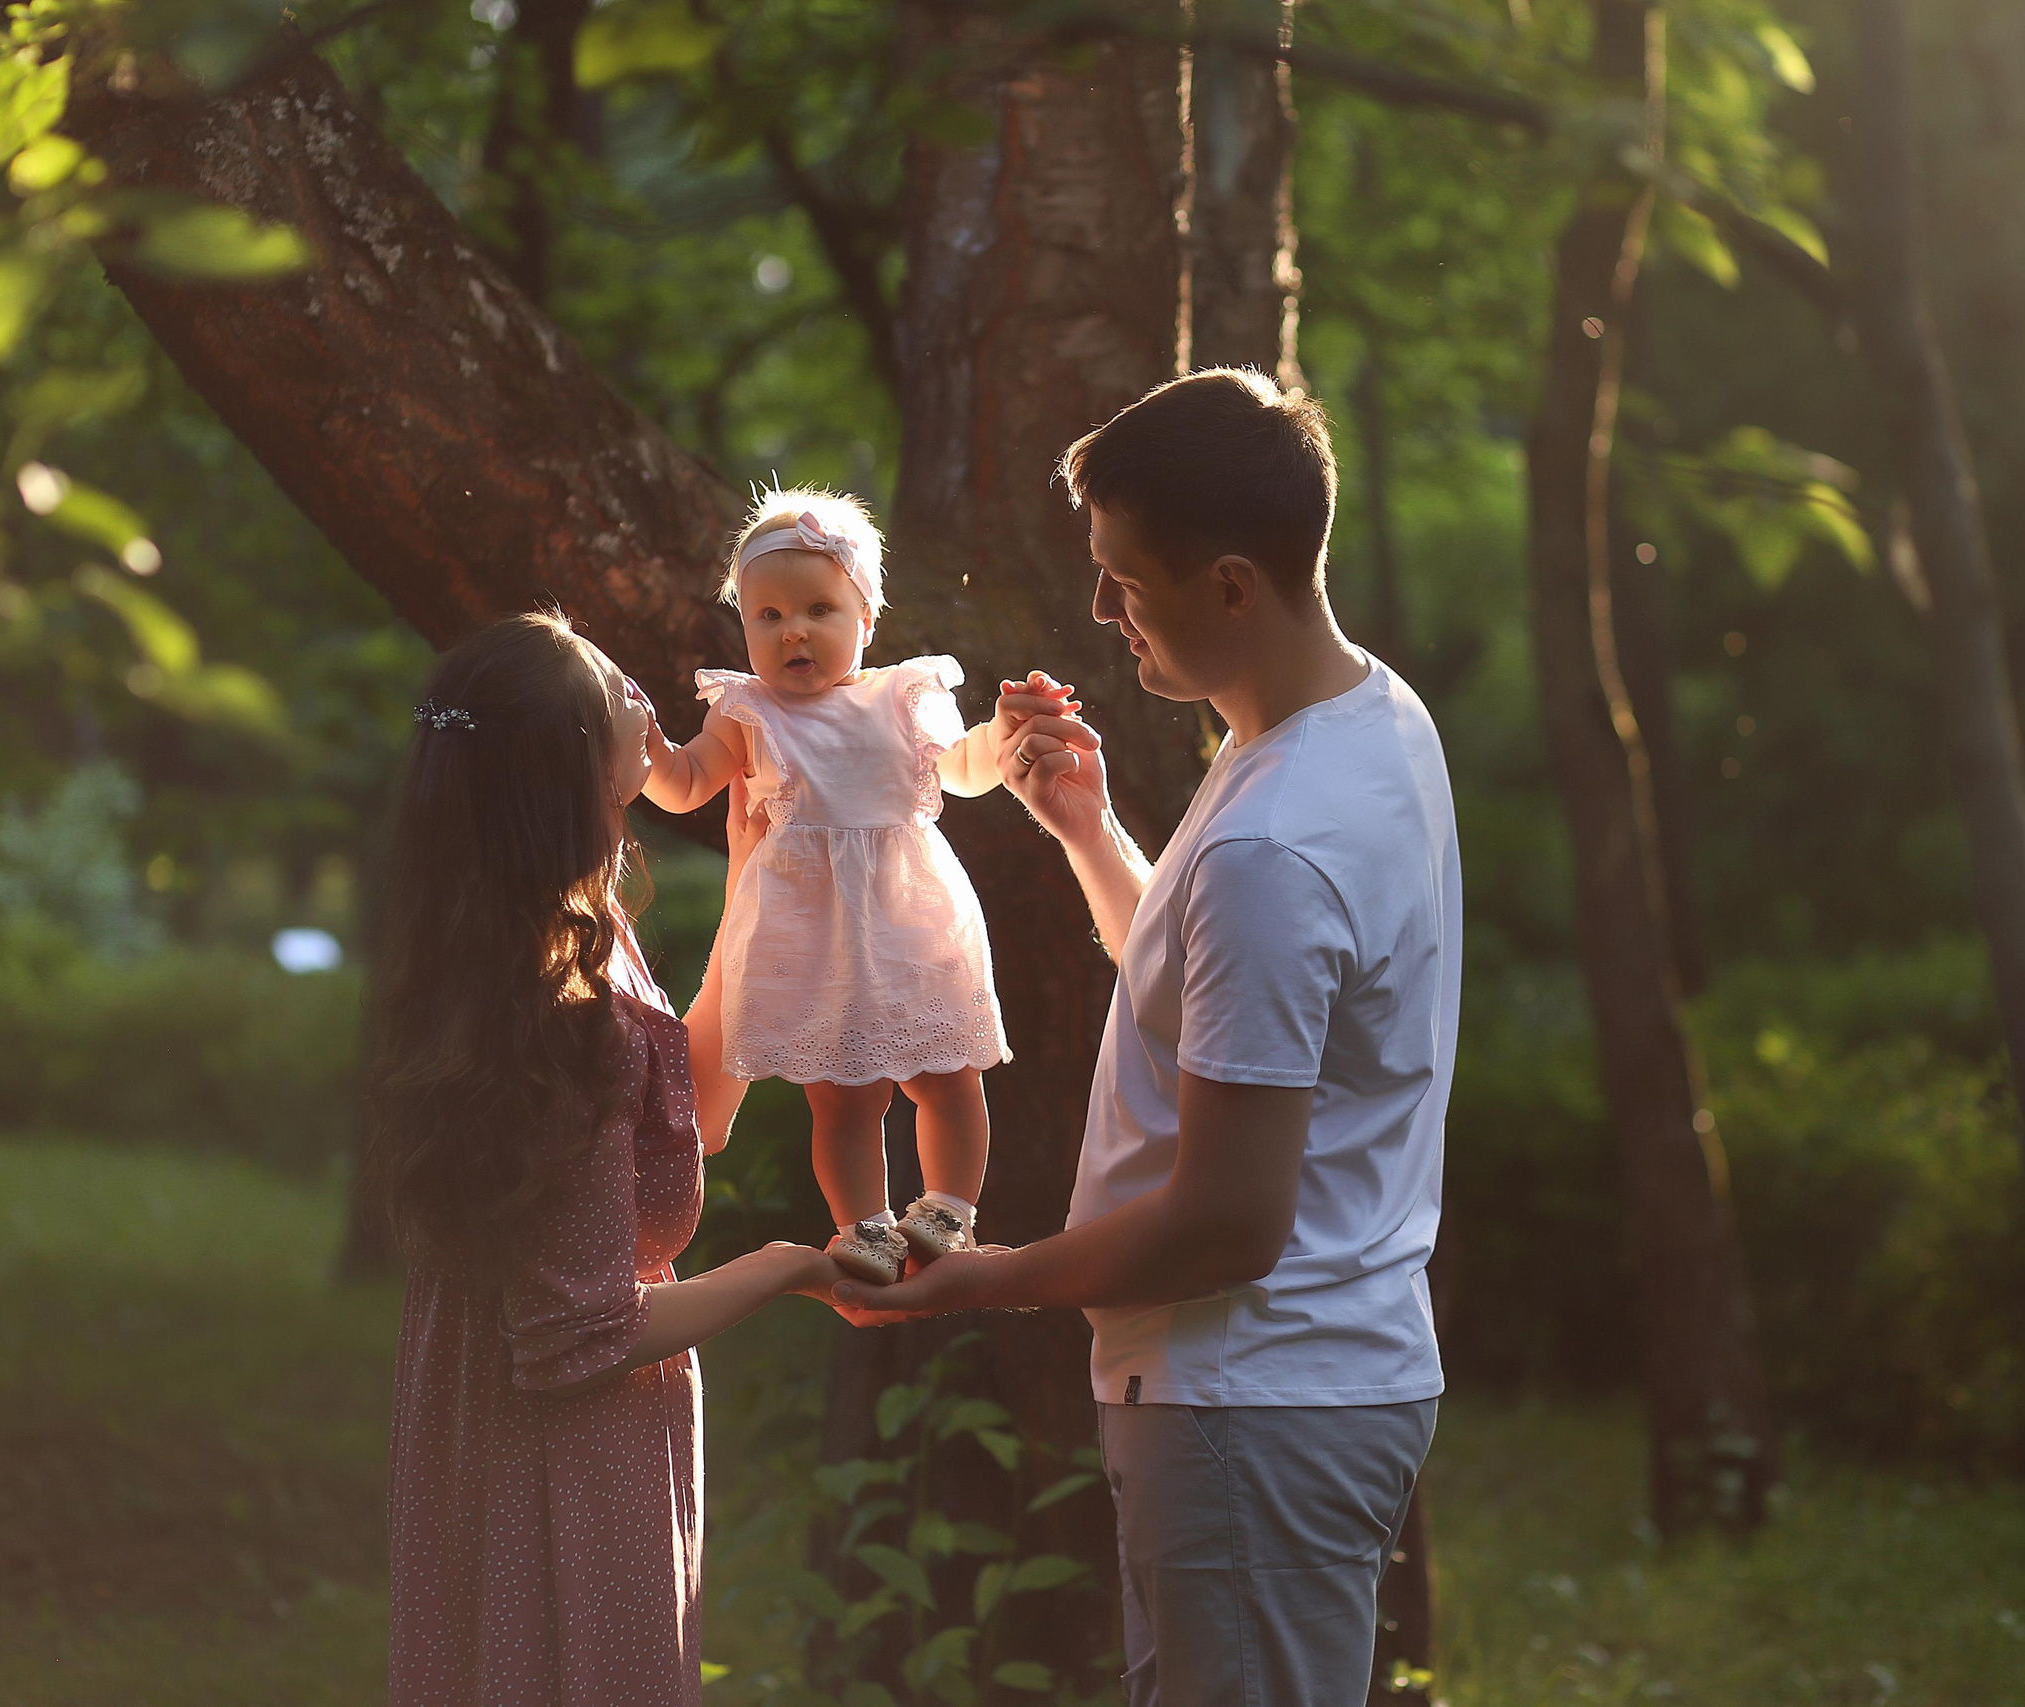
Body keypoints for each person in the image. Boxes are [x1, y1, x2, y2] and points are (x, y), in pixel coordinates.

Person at [835, 369, 1463, 1707]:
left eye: (1127, 581)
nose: (1107, 612)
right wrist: (1090, 833)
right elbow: (1225, 1004)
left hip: (1254, 1402)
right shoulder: (1369, 721)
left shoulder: (1273, 841)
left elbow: (1228, 1223)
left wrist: (980, 1275)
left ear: (1232, 583)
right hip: (1298, 1384)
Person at [367, 611, 840, 1707]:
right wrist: (791, 1266)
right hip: (555, 1463)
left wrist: (755, 879)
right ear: (573, 765)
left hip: (495, 1424)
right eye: (610, 686)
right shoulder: (558, 1004)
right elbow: (581, 1338)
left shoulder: (552, 935)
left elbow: (690, 1117)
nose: (643, 691)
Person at [639, 487, 1035, 1285]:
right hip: (813, 938)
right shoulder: (747, 713)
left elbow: (961, 770)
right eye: (769, 616)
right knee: (844, 1099)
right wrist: (641, 743)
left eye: (819, 609)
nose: (794, 631)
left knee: (948, 1076)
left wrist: (1004, 734)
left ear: (866, 619)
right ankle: (866, 1227)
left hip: (906, 921)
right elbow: (683, 782)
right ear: (745, 627)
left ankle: (950, 1207)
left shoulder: (903, 696)